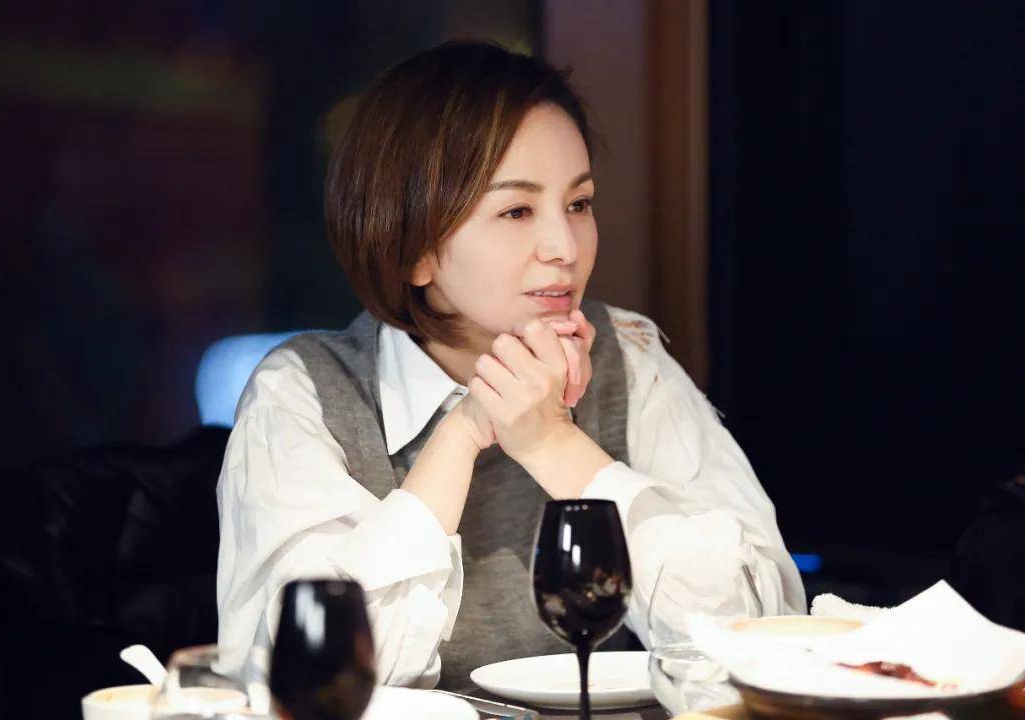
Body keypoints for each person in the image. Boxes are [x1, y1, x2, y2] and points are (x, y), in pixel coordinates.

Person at [216, 40, 805, 691]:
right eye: (517, 211)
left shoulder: (628, 355)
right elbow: (311, 679)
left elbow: (760, 635)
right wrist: (464, 432)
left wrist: (554, 444)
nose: (564, 247)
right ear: (414, 249)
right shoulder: (304, 391)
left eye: (578, 204)